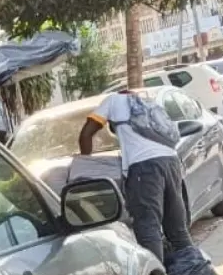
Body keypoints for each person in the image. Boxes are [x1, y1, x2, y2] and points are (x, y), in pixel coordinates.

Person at [78, 89, 193, 263]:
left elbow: (86, 134)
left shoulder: (112, 100)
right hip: (171, 161)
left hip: (145, 168)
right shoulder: (146, 103)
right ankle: (195, 274)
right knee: (177, 228)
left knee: (148, 228)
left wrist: (85, 163)